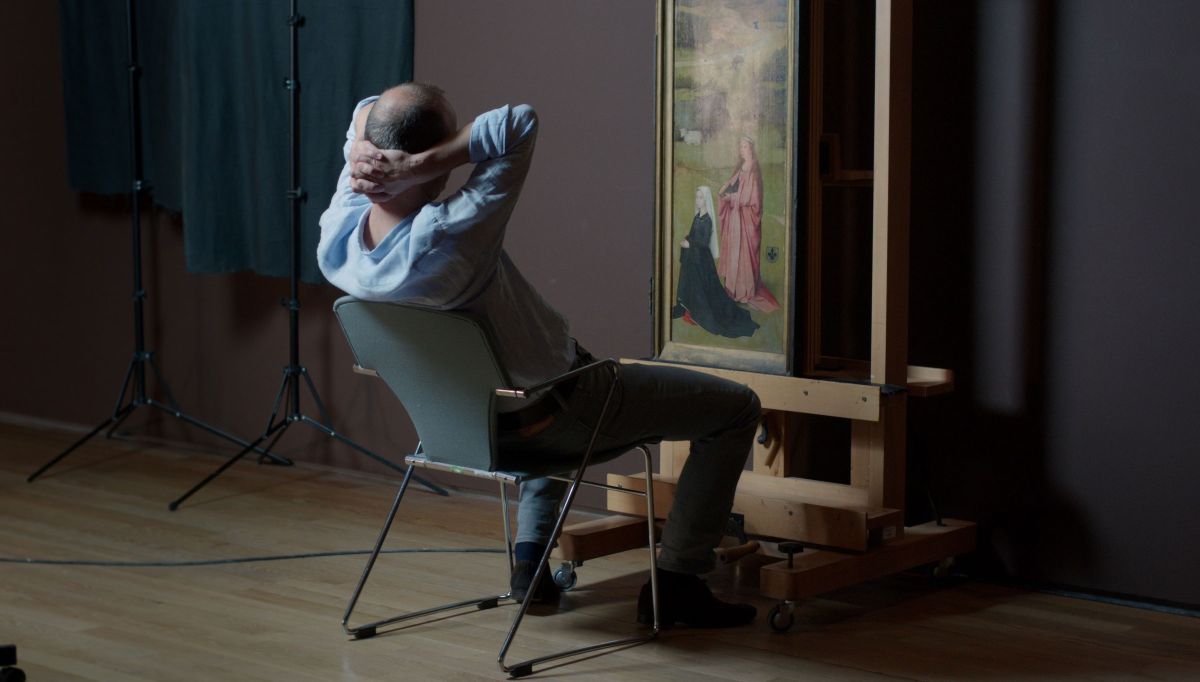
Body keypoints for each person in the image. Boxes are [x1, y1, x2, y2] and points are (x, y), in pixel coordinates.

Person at [317, 83, 761, 628]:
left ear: (368, 156)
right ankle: (679, 583)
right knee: (735, 409)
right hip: (557, 413)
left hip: (468, 427)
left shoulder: (338, 237)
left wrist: (379, 156)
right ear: (431, 163)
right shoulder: (451, 234)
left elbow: (366, 113)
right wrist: (422, 162)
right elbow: (517, 124)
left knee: (534, 385)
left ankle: (530, 564)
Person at [672, 186, 758, 338]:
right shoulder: (697, 217)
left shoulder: (707, 220)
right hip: (693, 257)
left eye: (700, 198)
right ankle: (688, 308)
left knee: (704, 289)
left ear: (706, 200)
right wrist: (686, 240)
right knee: (689, 279)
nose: (697, 200)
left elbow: (704, 242)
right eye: (696, 197)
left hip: (702, 260)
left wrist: (689, 244)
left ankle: (699, 312)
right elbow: (692, 235)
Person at [716, 137, 779, 312]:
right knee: (733, 253)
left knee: (743, 254)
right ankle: (732, 291)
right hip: (735, 218)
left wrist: (732, 198)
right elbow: (732, 187)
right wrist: (724, 194)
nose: (741, 149)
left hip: (745, 221)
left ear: (751, 148)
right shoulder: (741, 167)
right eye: (740, 146)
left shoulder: (753, 170)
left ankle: (744, 292)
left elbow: (754, 200)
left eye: (744, 146)